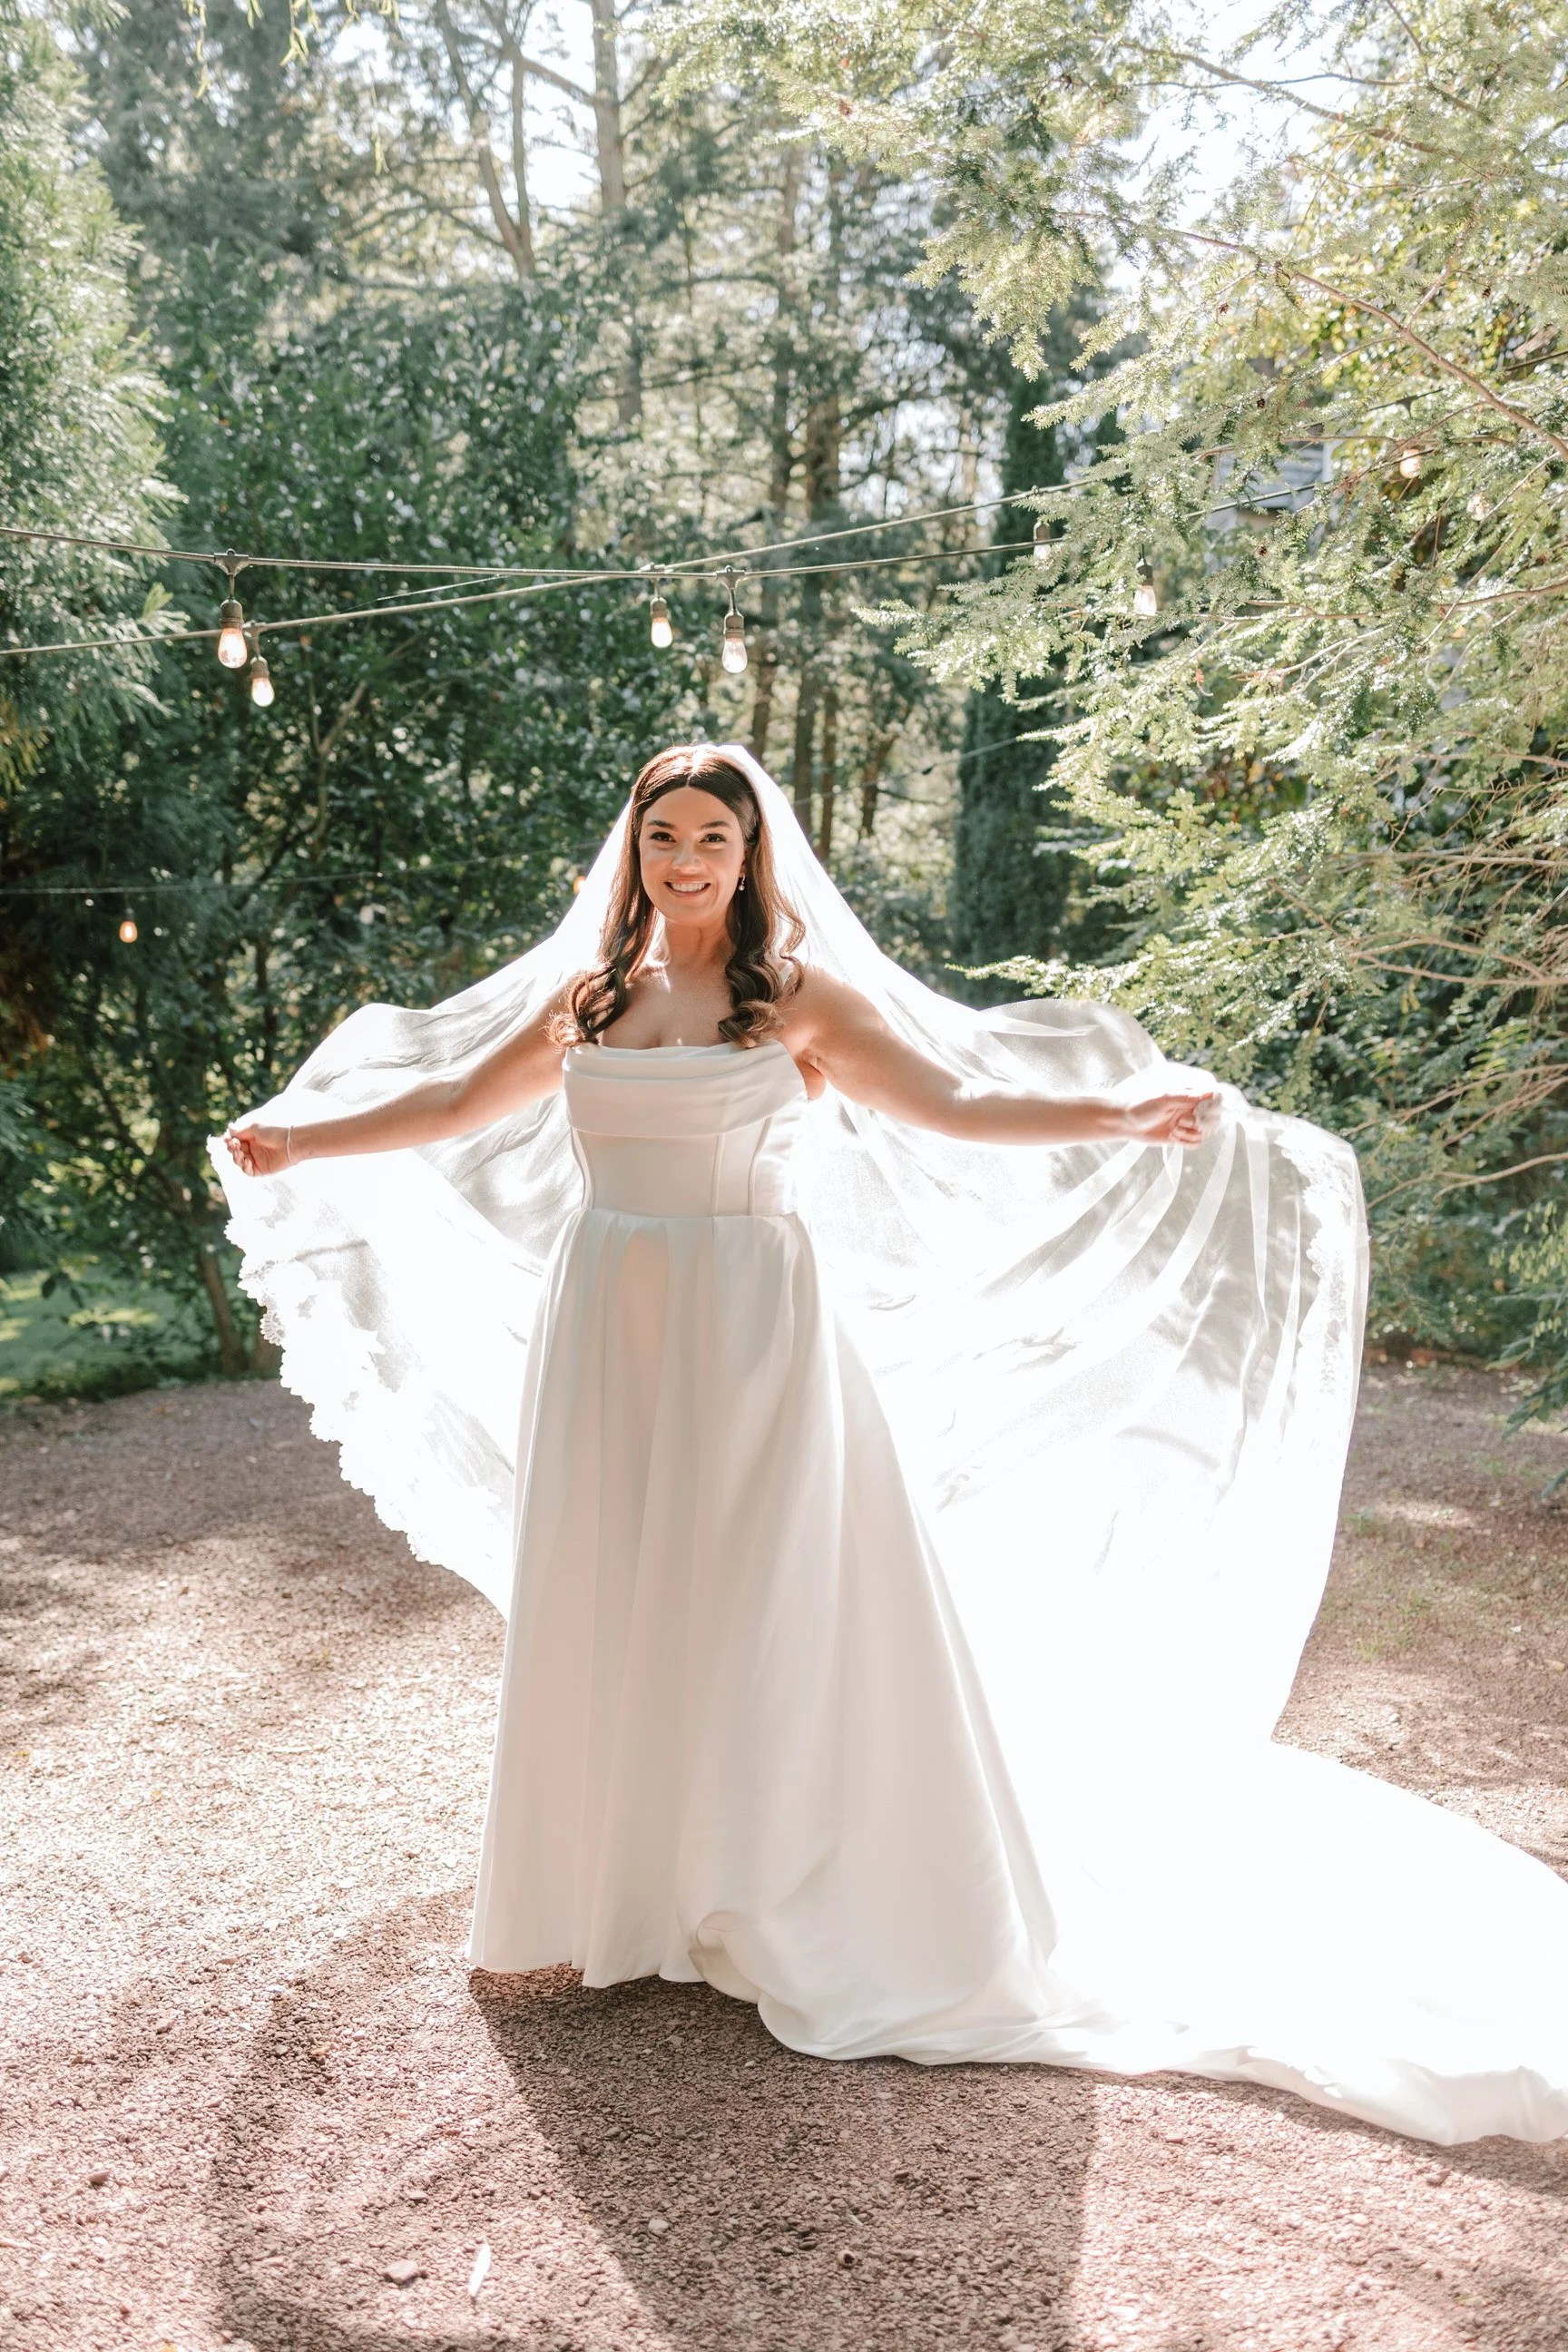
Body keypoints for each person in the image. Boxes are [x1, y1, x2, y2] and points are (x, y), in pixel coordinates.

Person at [220, 743, 1568, 2146]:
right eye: (663, 836)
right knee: (621, 1591)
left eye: (712, 842)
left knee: (763, 1598)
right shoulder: (592, 1000)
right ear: (633, 851)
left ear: (751, 861)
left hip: (751, 1324)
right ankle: (627, 1896)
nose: (685, 862)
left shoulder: (791, 996)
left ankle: (783, 1885)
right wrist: (300, 1140)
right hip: (608, 1320)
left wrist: (1121, 1111)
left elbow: (960, 1104)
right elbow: (447, 1108)